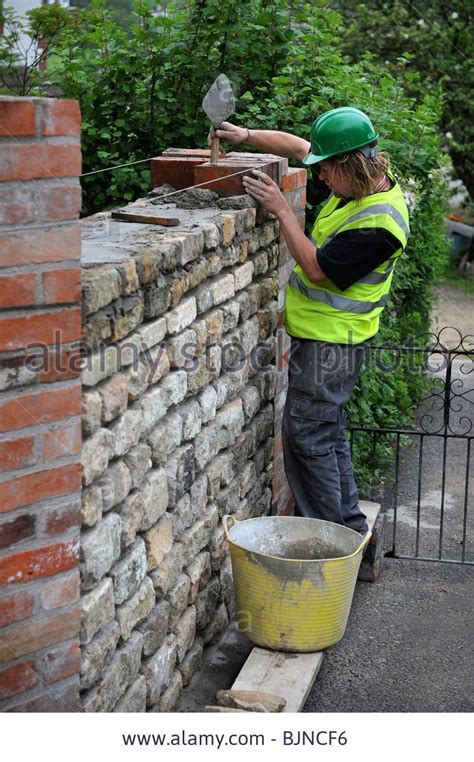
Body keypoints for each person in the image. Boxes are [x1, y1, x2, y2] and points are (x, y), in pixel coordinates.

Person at [211, 107, 410, 535]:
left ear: (351, 165)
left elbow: (318, 269)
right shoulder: (356, 182)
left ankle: (327, 545)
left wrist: (282, 209)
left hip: (331, 348)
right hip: (328, 343)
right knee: (327, 437)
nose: (319, 178)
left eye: (326, 171)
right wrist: (244, 134)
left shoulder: (382, 224)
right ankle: (354, 532)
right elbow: (301, 148)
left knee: (307, 439)